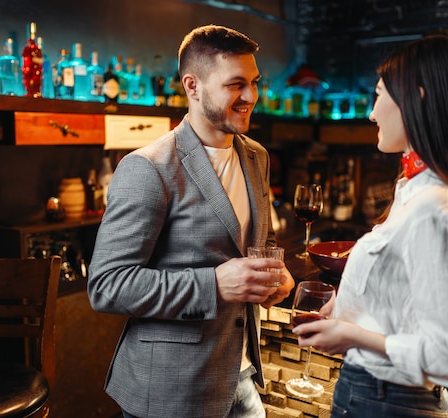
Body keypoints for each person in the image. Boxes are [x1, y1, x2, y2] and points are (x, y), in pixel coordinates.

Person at [88, 24, 294, 418]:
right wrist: (215, 284)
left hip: (242, 375)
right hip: (170, 392)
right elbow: (107, 286)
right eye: (236, 84)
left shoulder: (257, 157)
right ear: (192, 86)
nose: (252, 96)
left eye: (254, 82)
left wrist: (271, 278)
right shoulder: (147, 168)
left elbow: (243, 248)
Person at [291, 35, 448, 417]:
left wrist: (352, 335)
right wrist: (344, 308)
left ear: (416, 99)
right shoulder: (417, 191)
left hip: (387, 401)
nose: (372, 113)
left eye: (379, 94)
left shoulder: (434, 208)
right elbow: (406, 304)